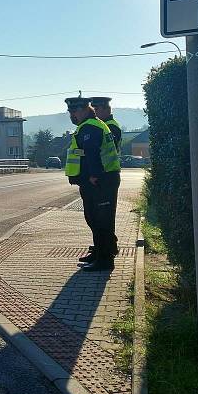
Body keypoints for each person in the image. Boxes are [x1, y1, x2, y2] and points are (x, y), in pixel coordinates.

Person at [64, 97, 121, 272]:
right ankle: (101, 255)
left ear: (84, 110)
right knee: (95, 219)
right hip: (99, 180)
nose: (72, 115)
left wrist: (94, 175)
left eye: (74, 111)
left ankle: (104, 260)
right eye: (70, 112)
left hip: (100, 182)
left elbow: (92, 152)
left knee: (101, 221)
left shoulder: (90, 127)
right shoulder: (90, 125)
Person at [90, 96, 122, 255]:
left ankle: (107, 248)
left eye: (95, 110)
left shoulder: (110, 127)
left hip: (106, 176)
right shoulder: (104, 125)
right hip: (105, 175)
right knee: (101, 217)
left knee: (105, 217)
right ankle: (103, 246)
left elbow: (106, 150)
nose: (94, 114)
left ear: (104, 109)